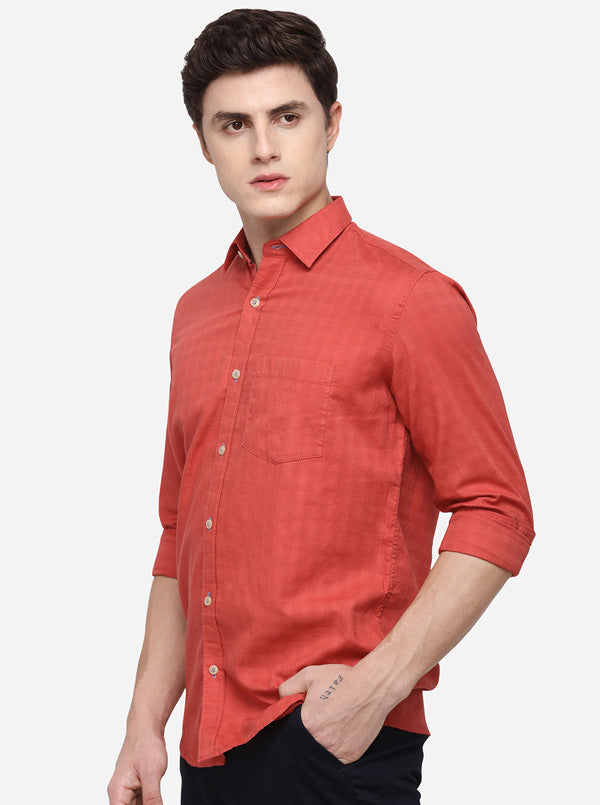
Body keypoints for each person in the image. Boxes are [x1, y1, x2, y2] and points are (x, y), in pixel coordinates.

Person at [108, 8, 535, 805]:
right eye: (234, 124)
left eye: (287, 117)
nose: (263, 148)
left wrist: (376, 687)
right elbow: (179, 533)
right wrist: (144, 724)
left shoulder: (410, 300)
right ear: (203, 142)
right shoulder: (195, 314)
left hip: (334, 739)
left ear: (332, 124)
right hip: (207, 747)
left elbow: (498, 509)